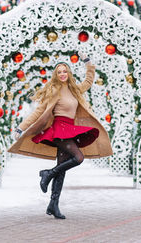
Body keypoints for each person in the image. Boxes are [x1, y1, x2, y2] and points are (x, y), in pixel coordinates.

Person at [8, 52, 113, 219]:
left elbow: (89, 80)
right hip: (59, 129)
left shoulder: (74, 89)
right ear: (56, 75)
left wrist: (87, 62)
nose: (63, 74)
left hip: (70, 129)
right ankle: (48, 174)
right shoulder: (54, 91)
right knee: (78, 157)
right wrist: (20, 128)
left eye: (65, 71)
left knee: (62, 169)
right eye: (59, 72)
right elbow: (38, 112)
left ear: (69, 73)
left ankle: (53, 204)